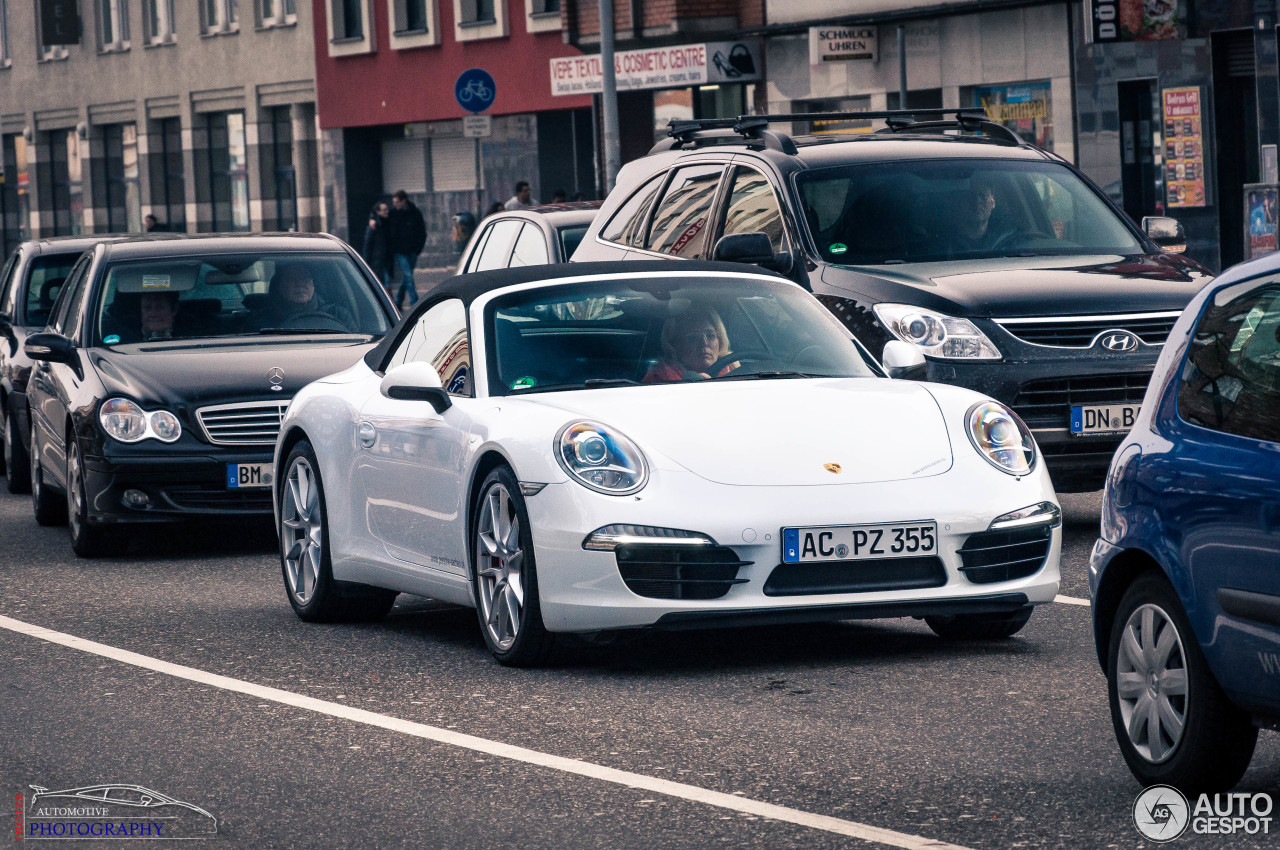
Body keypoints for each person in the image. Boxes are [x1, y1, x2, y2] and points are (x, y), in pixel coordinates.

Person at [643, 305, 740, 383]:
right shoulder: (660, 379)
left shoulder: (735, 368)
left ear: (720, 340)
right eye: (693, 338)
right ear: (675, 346)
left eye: (710, 335)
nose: (704, 343)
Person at [246, 264, 350, 331]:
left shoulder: (338, 314)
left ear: (314, 285)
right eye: (292, 278)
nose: (300, 284)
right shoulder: (260, 323)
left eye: (306, 278)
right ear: (278, 285)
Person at [387, 189, 427, 308]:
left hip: (413, 250)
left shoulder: (415, 213)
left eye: (397, 202)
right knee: (408, 275)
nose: (395, 204)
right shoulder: (393, 213)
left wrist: (418, 248)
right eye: (394, 202)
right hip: (400, 251)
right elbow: (379, 217)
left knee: (406, 276)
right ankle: (415, 303)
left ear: (404, 201)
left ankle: (398, 300)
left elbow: (422, 231)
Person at [363, 201, 393, 299]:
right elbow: (367, 246)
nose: (386, 212)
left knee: (386, 285)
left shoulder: (387, 223)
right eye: (384, 210)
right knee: (383, 286)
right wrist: (366, 263)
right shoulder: (373, 227)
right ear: (378, 212)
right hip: (377, 262)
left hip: (386, 261)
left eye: (387, 209)